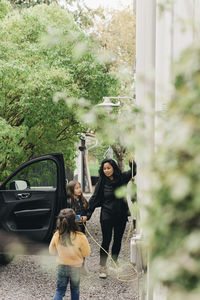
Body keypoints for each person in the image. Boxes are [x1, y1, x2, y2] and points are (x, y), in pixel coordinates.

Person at [87, 158, 137, 278]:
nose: (106, 171)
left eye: (108, 168)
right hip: (107, 216)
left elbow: (133, 171)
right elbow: (94, 199)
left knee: (118, 240)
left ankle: (114, 262)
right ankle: (103, 267)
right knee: (106, 241)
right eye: (104, 169)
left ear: (113, 168)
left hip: (121, 215)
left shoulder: (122, 178)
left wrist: (131, 162)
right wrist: (87, 214)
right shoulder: (101, 182)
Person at [49, 208, 91, 300]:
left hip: (61, 266)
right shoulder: (81, 237)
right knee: (75, 289)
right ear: (75, 221)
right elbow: (86, 253)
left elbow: (51, 251)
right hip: (76, 267)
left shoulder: (57, 235)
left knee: (60, 290)